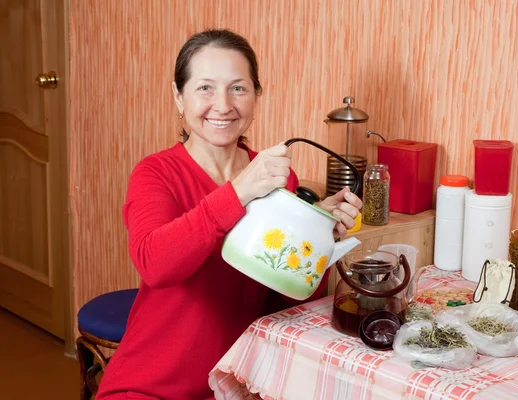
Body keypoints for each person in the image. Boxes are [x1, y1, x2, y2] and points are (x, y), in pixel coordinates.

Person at [95, 29, 362, 400]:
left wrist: (317, 234)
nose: (222, 105)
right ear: (179, 96)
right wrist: (237, 192)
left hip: (240, 384)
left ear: (256, 97)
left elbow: (292, 295)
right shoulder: (156, 173)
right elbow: (155, 264)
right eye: (205, 88)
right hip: (152, 386)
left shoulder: (278, 179)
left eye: (238, 88)